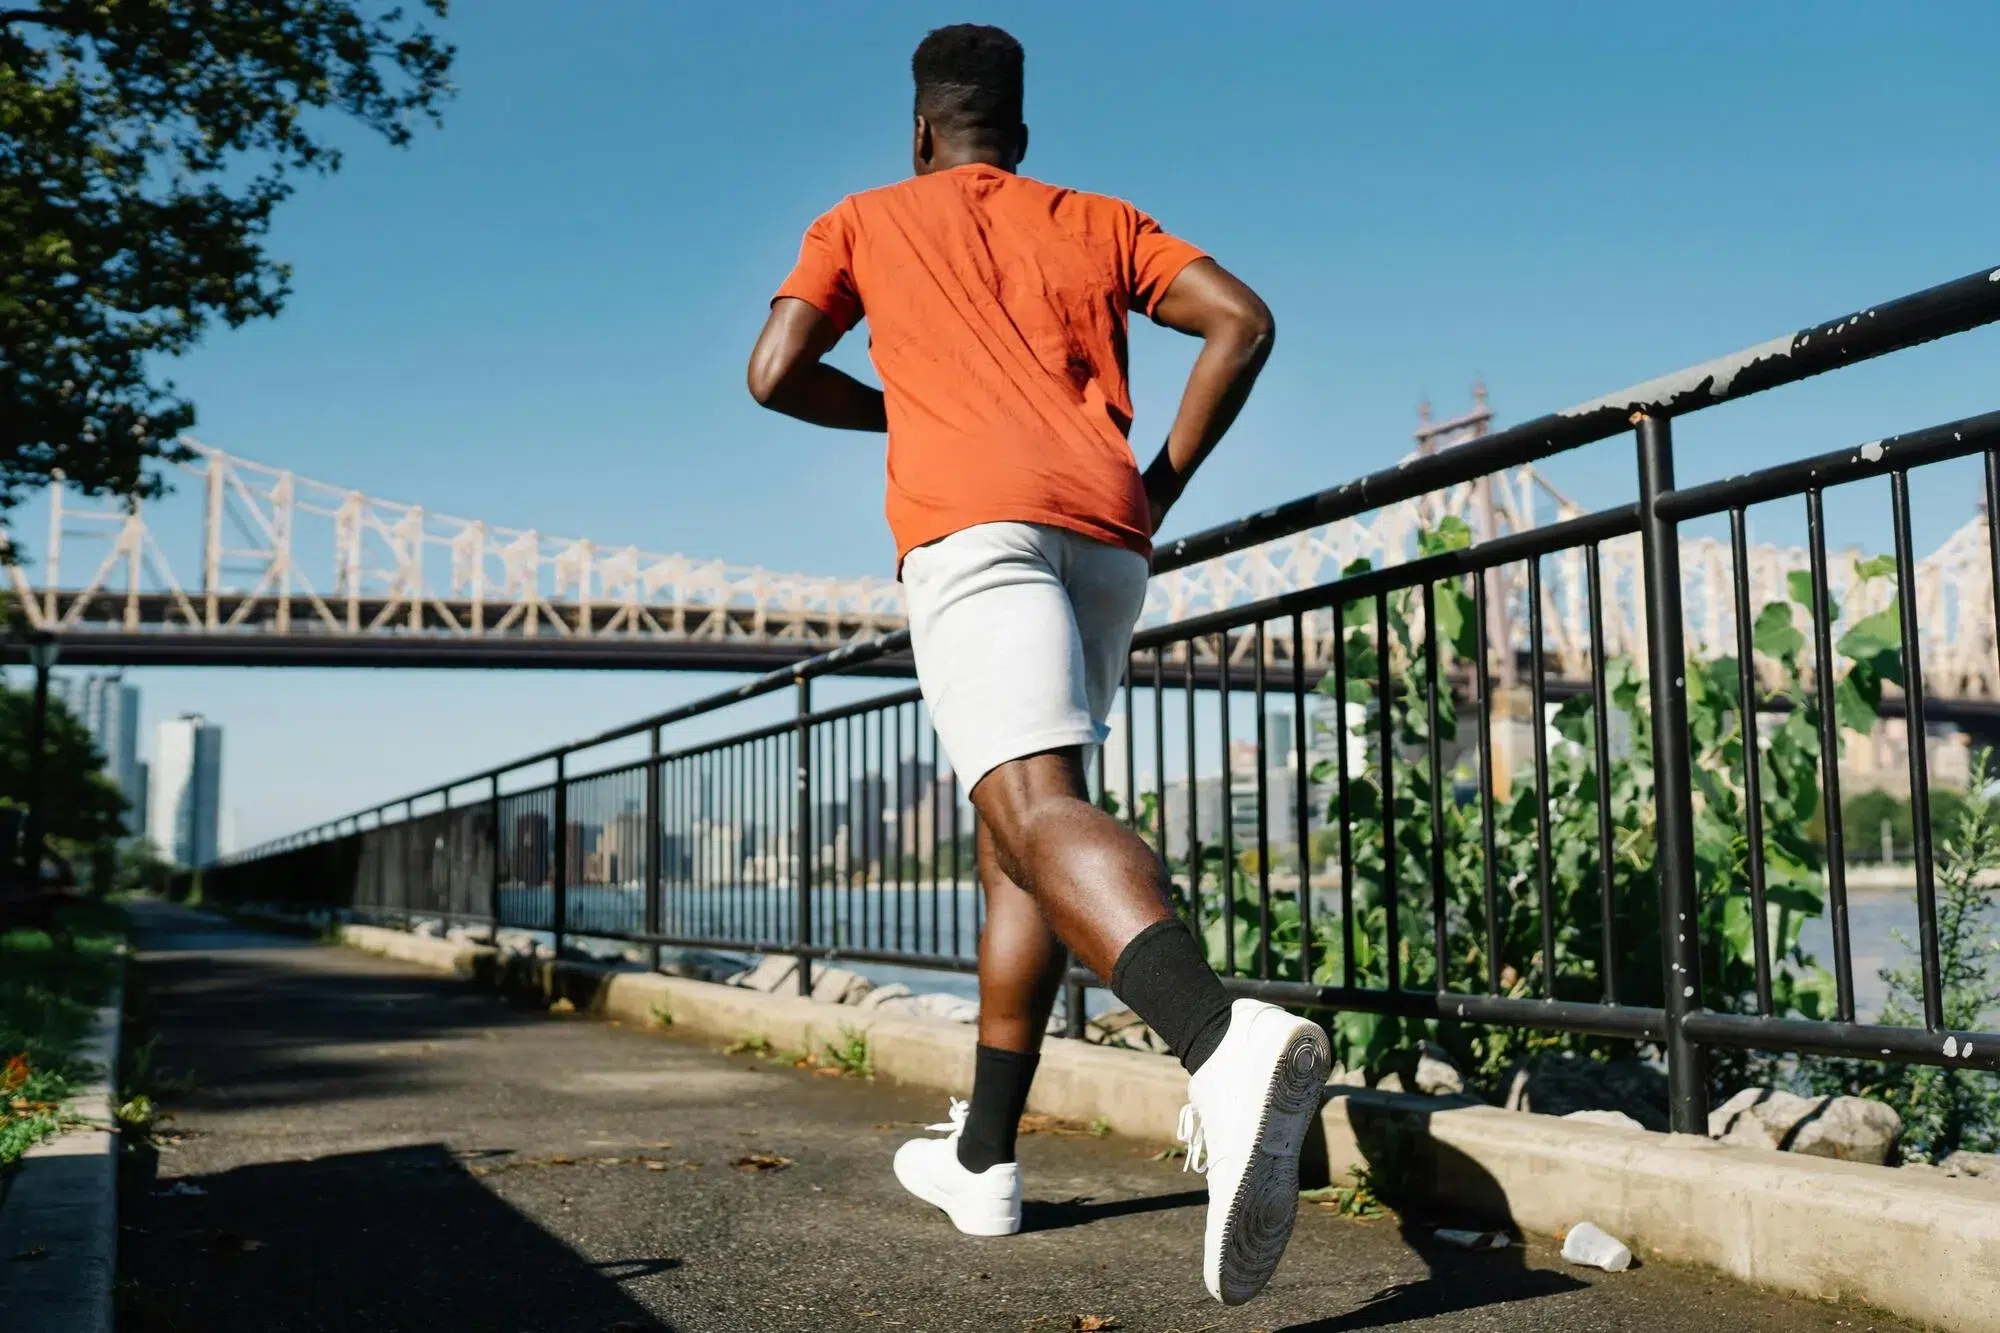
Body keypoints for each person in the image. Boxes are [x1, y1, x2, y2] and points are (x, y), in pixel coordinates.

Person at [746, 23, 1328, 1308]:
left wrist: (904, 403)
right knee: (1015, 838)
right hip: (1103, 537)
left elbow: (775, 373)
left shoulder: (862, 217)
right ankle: (983, 1159)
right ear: (1020, 135)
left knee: (1032, 804)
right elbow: (1240, 322)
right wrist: (1155, 484)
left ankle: (1216, 1039)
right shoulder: (1099, 217)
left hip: (975, 527)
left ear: (918, 131)